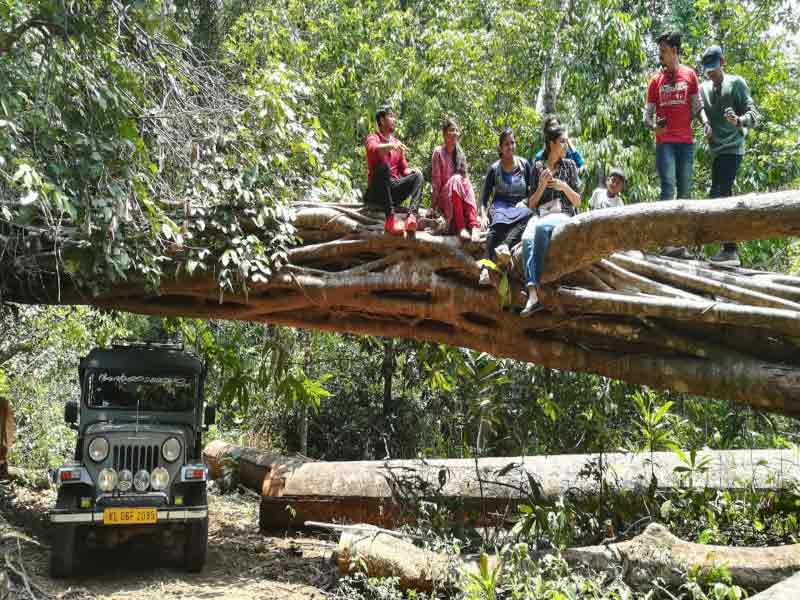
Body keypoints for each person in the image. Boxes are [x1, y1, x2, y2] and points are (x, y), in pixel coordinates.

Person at [644, 30, 710, 258]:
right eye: (660, 51)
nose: (660, 55)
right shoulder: (655, 81)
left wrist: (705, 122)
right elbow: (647, 117)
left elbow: (697, 105)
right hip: (665, 143)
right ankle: (667, 242)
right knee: (668, 188)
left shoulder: (690, 75)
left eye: (663, 51)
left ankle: (683, 242)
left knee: (685, 191)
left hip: (686, 142)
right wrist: (654, 127)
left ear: (674, 51)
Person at [699, 45, 760, 267]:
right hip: (716, 151)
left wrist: (739, 121)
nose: (711, 74)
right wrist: (704, 124)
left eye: (714, 69)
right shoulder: (703, 88)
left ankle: (730, 250)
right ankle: (728, 249)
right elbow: (699, 108)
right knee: (720, 196)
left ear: (722, 62)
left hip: (733, 148)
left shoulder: (736, 83)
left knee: (720, 195)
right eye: (707, 70)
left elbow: (754, 115)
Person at [520, 126, 582, 315]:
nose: (566, 146)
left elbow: (577, 201)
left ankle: (537, 286)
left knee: (540, 229)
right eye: (562, 142)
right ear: (551, 144)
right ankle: (532, 295)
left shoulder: (570, 165)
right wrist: (541, 186)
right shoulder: (538, 167)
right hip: (541, 213)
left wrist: (564, 188)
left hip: (563, 213)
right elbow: (531, 204)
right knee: (526, 239)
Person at [478, 128, 533, 286]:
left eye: (513, 143)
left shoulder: (524, 165)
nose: (510, 146)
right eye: (506, 144)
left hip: (520, 206)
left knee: (530, 215)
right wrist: (482, 215)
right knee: (496, 228)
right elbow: (484, 198)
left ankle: (504, 247)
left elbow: (533, 191)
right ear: (500, 148)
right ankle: (485, 268)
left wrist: (527, 201)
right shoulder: (495, 169)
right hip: (500, 206)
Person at [364, 105, 424, 236]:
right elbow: (373, 149)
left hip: (392, 192)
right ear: (381, 120)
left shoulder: (396, 142)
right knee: (383, 167)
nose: (394, 119)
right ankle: (390, 220)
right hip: (376, 192)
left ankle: (412, 217)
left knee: (418, 175)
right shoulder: (373, 137)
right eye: (390, 116)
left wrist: (412, 172)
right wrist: (391, 146)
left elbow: (404, 169)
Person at [431, 118, 481, 242]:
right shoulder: (438, 153)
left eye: (456, 130)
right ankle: (461, 228)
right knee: (457, 179)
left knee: (465, 181)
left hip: (458, 198)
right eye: (451, 130)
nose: (454, 133)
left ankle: (474, 225)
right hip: (444, 200)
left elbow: (466, 185)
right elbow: (436, 183)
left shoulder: (460, 154)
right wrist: (432, 207)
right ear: (444, 134)